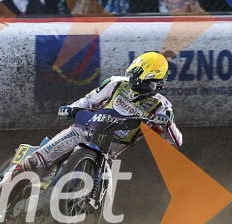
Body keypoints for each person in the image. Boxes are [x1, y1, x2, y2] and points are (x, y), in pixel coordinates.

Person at [15, 52, 182, 178]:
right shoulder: (115, 83)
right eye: (136, 78)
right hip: (82, 131)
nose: (138, 84)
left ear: (158, 84)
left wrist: (167, 124)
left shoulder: (162, 106)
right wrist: (71, 108)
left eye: (147, 83)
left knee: (106, 193)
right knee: (33, 163)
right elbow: (88, 101)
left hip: (107, 152)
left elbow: (176, 142)